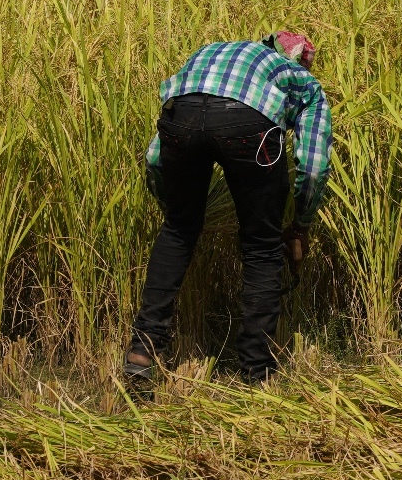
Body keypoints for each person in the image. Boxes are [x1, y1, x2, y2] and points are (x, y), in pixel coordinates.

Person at [124, 32, 332, 387]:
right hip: (247, 128)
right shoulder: (301, 80)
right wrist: (301, 223)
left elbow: (155, 157)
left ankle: (141, 353)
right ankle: (256, 371)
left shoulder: (210, 52)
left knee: (178, 229)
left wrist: (170, 206)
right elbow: (312, 164)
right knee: (261, 245)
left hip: (181, 116)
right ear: (299, 59)